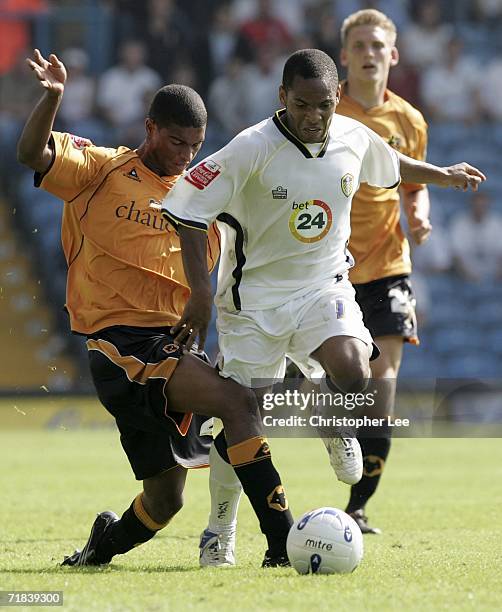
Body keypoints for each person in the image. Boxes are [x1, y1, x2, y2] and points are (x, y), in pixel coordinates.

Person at [160, 48, 485, 566]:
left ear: (337, 99)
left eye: (324, 106)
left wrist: (442, 175)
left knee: (356, 370)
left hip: (322, 286)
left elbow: (391, 165)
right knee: (240, 419)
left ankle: (331, 420)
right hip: (252, 305)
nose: (313, 117)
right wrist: (200, 294)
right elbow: (184, 208)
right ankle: (219, 527)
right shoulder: (252, 147)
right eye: (302, 105)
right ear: (282, 97)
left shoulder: (353, 137)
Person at [17, 49, 294, 569]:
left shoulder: (202, 201)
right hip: (118, 345)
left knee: (166, 502)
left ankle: (98, 549)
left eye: (194, 145)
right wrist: (52, 99)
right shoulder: (101, 169)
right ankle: (282, 542)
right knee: (238, 405)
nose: (185, 155)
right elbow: (31, 154)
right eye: (174, 141)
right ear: (150, 128)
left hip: (170, 349)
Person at [332, 8, 432, 534]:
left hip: (390, 265)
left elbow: (413, 184)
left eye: (378, 45)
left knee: (383, 379)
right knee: (341, 378)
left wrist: (418, 216)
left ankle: (358, 502)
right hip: (330, 267)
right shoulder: (327, 112)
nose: (369, 53)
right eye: (360, 46)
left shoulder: (410, 121)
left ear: (392, 55)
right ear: (344, 56)